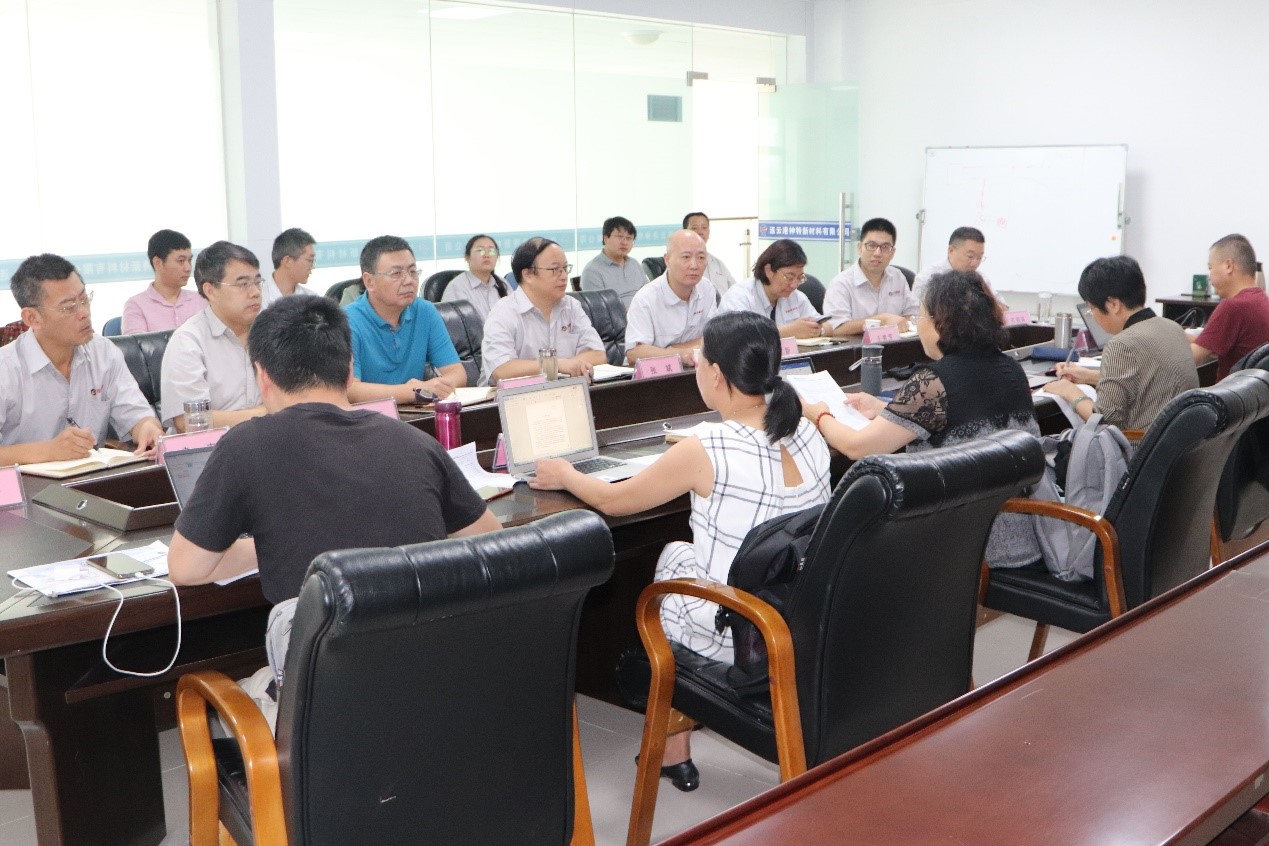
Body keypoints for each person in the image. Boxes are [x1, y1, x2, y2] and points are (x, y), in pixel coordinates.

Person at [531, 310, 830, 791]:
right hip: (802, 622)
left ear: (716, 374)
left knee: (672, 556)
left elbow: (613, 501)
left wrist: (564, 473)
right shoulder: (809, 430)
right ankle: (674, 747)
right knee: (684, 552)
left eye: (699, 359)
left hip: (741, 633)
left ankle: (674, 744)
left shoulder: (707, 445)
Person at [168, 296, 501, 726]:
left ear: (262, 375)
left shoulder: (245, 446)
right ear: (348, 370)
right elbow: (493, 543)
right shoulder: (414, 442)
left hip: (330, 711)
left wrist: (271, 545)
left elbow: (186, 568)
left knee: (237, 694)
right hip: (434, 687)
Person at [806, 270, 1042, 570]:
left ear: (942, 324)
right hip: (1017, 532)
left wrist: (818, 414)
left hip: (959, 547)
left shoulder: (933, 382)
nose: (918, 325)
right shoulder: (1009, 367)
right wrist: (884, 408)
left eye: (921, 316)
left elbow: (857, 447)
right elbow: (962, 409)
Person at [0, 254, 163, 464]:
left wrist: (148, 428)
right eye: (69, 307)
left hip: (93, 478)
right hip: (25, 483)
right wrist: (49, 451)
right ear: (32, 318)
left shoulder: (103, 352)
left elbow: (136, 414)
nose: (84, 312)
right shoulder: (6, 369)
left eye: (85, 299)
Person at [1044, 256, 1199, 430]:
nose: (1092, 315)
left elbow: (1104, 422)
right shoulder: (1173, 328)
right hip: (1182, 442)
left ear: (1113, 304)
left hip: (1139, 444)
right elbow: (1147, 381)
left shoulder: (1122, 345)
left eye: (1091, 308)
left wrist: (1071, 392)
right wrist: (1087, 376)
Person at [160, 241, 269, 432]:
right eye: (243, 284)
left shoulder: (273, 332)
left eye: (257, 282)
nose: (255, 293)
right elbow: (189, 421)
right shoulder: (188, 342)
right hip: (212, 448)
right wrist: (268, 414)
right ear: (210, 291)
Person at [345, 235, 467, 404]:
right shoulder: (347, 321)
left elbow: (457, 373)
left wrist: (434, 388)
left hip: (416, 414)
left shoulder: (425, 311)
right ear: (369, 281)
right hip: (368, 416)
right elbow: (350, 390)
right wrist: (413, 392)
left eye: (412, 271)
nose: (409, 281)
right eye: (396, 274)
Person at [480, 237, 607, 385]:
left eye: (565, 268)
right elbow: (501, 369)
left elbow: (598, 354)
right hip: (511, 396)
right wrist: (556, 365)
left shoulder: (571, 306)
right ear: (528, 274)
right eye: (555, 270)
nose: (564, 276)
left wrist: (572, 366)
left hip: (564, 391)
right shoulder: (504, 312)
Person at [624, 230, 716, 365]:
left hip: (693, 370)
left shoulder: (707, 289)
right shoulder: (646, 299)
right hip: (656, 374)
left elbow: (713, 339)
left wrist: (670, 350)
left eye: (701, 258)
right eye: (686, 257)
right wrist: (680, 354)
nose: (694, 265)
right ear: (667, 260)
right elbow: (634, 353)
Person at [822, 217, 919, 336]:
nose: (877, 253)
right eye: (871, 245)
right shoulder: (841, 284)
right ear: (859, 248)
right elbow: (835, 329)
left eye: (885, 247)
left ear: (892, 252)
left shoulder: (897, 277)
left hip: (895, 344)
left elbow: (914, 315)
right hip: (857, 346)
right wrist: (880, 320)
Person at [1191, 234, 1269, 379]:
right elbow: (1209, 340)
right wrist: (1177, 334)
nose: (1209, 277)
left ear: (1228, 266)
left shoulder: (1233, 307)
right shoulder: (1261, 300)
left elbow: (1191, 358)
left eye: (1210, 267)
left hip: (1231, 392)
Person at [718, 238, 823, 339]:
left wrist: (818, 330)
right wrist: (788, 331)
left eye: (800, 277)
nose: (794, 285)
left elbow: (823, 323)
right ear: (768, 270)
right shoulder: (739, 298)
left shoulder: (795, 296)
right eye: (789, 277)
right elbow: (739, 338)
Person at [121, 229, 206, 334]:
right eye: (181, 261)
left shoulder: (202, 300)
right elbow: (137, 344)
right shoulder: (136, 305)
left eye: (189, 260)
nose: (188, 268)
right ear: (158, 263)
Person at [580, 215, 646, 308]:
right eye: (620, 237)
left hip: (645, 313)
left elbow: (649, 293)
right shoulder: (592, 271)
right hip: (619, 316)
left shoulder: (634, 264)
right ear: (606, 238)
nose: (624, 242)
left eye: (629, 238)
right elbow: (599, 310)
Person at [440, 234, 509, 321]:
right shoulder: (457, 287)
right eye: (480, 250)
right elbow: (453, 325)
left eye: (491, 251)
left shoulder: (503, 284)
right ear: (467, 258)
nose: (487, 255)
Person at [684, 211, 738, 297]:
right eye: (694, 228)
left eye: (704, 228)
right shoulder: (680, 262)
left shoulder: (718, 263)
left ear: (709, 232)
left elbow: (735, 289)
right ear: (685, 232)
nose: (700, 232)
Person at [261, 227, 318, 307]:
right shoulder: (258, 299)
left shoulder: (312, 300)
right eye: (309, 260)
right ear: (288, 261)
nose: (312, 267)